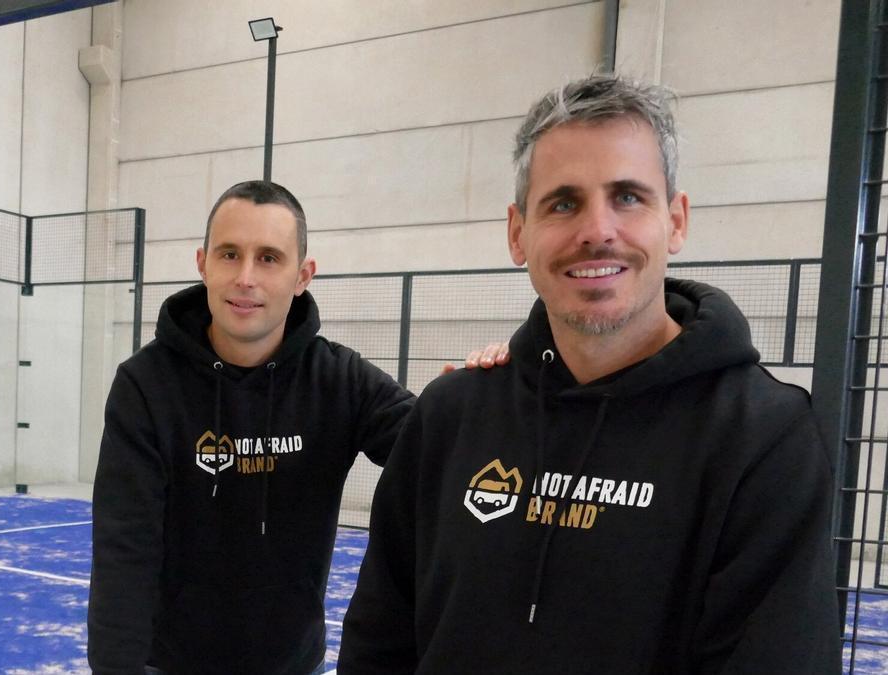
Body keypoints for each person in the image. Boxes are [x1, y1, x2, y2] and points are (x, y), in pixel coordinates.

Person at [338, 75, 840, 673]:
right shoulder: (450, 416)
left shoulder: (764, 436)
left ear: (675, 221)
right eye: (564, 202)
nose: (597, 230)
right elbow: (378, 641)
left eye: (628, 196)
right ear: (517, 232)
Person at [87, 180, 506, 674]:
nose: (245, 277)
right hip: (171, 664)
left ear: (302, 274)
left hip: (293, 664)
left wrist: (474, 399)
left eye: (268, 258)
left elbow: (438, 456)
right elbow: (123, 551)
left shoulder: (341, 380)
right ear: (202, 263)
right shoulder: (145, 385)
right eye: (229, 254)